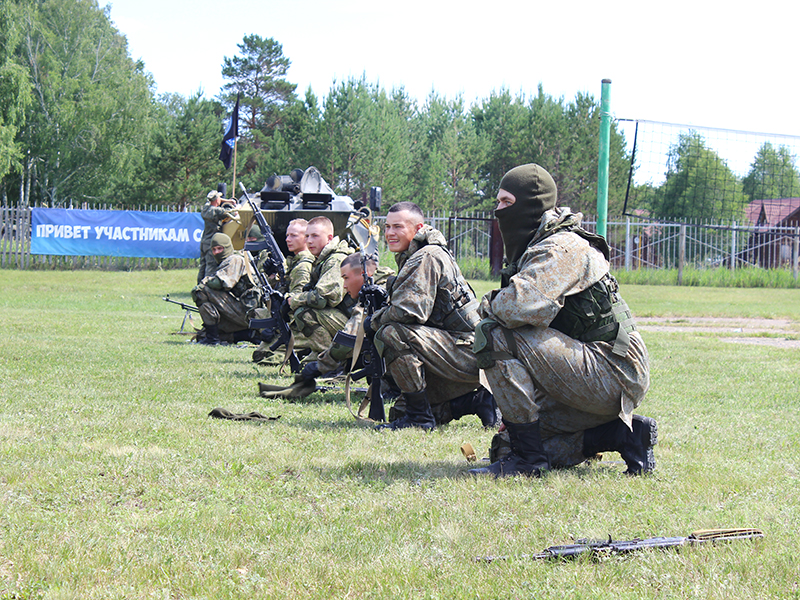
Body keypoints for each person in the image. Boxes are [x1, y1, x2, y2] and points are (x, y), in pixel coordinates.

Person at [467, 163, 654, 478]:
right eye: (497, 202)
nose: (498, 211)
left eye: (506, 203)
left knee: (494, 333)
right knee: (505, 447)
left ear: (532, 205)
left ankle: (528, 463)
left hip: (613, 368)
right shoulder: (539, 245)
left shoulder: (561, 247)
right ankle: (623, 435)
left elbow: (517, 308)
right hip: (589, 366)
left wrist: (487, 305)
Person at [365, 201, 498, 431]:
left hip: (471, 353)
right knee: (400, 411)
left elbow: (409, 312)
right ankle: (475, 402)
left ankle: (419, 419)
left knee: (392, 333)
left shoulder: (426, 256)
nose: (389, 233)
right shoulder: (416, 254)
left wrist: (373, 321)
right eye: (387, 227)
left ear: (418, 229)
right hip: (460, 348)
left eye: (397, 227)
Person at [284, 216, 353, 354]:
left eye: (315, 236)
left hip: (353, 327)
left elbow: (322, 298)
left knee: (305, 313)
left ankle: (328, 359)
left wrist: (292, 301)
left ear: (329, 238)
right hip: (344, 319)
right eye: (307, 236)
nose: (309, 241)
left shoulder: (336, 259)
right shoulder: (322, 260)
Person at [252, 218, 315, 364]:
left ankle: (305, 348)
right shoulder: (295, 262)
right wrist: (274, 276)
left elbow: (296, 301)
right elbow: (284, 290)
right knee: (259, 353)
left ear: (306, 238)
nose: (288, 239)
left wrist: (277, 328)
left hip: (300, 326)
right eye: (287, 235)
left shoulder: (303, 266)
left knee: (265, 355)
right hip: (292, 321)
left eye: (294, 235)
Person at [192, 232, 260, 345]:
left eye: (220, 248)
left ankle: (213, 339)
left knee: (202, 291)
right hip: (242, 310)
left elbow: (219, 283)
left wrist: (205, 281)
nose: (217, 252)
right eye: (214, 249)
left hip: (249, 312)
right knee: (202, 335)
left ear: (227, 247)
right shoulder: (226, 262)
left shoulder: (235, 259)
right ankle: (246, 335)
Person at [198, 190, 238, 283]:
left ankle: (199, 286)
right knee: (211, 267)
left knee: (203, 266)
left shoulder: (206, 208)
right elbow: (231, 213)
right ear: (217, 200)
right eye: (219, 198)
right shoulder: (217, 211)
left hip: (204, 241)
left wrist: (228, 200)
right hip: (211, 243)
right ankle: (207, 286)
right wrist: (236, 207)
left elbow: (212, 201)